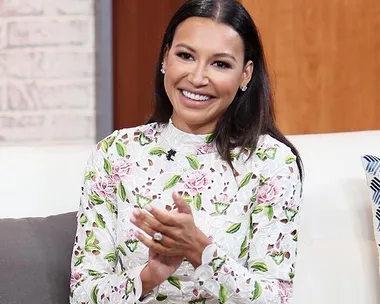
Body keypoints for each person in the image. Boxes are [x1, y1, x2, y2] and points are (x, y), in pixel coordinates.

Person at [69, 0, 304, 303]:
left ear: (245, 74)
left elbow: (275, 298)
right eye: (185, 56)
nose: (197, 78)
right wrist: (150, 275)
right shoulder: (115, 154)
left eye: (220, 64)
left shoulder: (272, 163)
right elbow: (82, 295)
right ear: (166, 57)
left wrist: (199, 250)